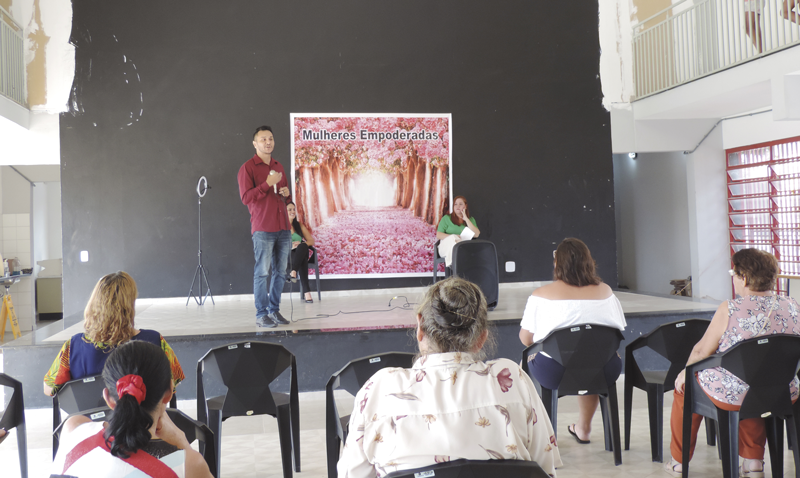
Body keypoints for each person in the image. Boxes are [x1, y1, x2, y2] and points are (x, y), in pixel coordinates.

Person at [338, 277, 562, 478]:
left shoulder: (380, 389)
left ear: (420, 327)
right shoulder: (513, 379)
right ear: (482, 337)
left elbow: (351, 473)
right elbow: (545, 469)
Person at [664, 248, 800, 477]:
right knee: (753, 378)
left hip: (738, 393)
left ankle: (678, 462)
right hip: (784, 390)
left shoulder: (731, 308)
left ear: (743, 277)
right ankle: (753, 461)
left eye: (733, 274)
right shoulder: (793, 304)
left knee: (688, 386)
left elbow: (701, 350)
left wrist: (683, 373)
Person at [518, 237, 626, 445]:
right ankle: (584, 428)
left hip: (555, 373)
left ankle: (535, 433)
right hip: (605, 370)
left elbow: (525, 339)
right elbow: (618, 329)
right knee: (589, 357)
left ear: (557, 264)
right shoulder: (606, 292)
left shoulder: (540, 295)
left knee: (523, 363)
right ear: (589, 262)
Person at [51, 341, 213, 477]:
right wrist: (182, 442)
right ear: (169, 392)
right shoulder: (188, 466)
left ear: (108, 398)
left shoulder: (73, 428)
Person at [43, 271, 184, 397]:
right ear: (130, 306)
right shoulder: (154, 341)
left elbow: (49, 389)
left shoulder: (73, 346)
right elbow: (171, 385)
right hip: (140, 418)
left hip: (90, 418)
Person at [238, 125, 293, 328]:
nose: (268, 142)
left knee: (281, 272)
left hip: (283, 227)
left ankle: (274, 310)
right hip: (263, 228)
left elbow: (286, 198)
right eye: (263, 139)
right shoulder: (248, 168)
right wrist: (267, 184)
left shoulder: (279, 166)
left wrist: (287, 195)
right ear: (255, 143)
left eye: (270, 138)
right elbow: (246, 198)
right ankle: (261, 315)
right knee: (262, 272)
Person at [435, 196, 480, 267]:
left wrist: (466, 219)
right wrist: (454, 237)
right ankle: (453, 265)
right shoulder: (446, 218)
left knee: (463, 247)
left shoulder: (471, 219)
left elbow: (476, 234)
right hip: (446, 248)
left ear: (465, 206)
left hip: (463, 248)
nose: (457, 206)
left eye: (460, 204)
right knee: (453, 238)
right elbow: (439, 235)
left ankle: (455, 266)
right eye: (455, 204)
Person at [286, 201, 316, 303]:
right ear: (284, 211)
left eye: (294, 209)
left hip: (301, 251)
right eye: (290, 209)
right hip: (289, 254)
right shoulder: (281, 226)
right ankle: (307, 293)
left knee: (303, 246)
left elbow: (311, 241)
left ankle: (293, 271)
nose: (292, 211)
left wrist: (301, 244)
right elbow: (278, 244)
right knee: (302, 258)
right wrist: (291, 246)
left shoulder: (299, 225)